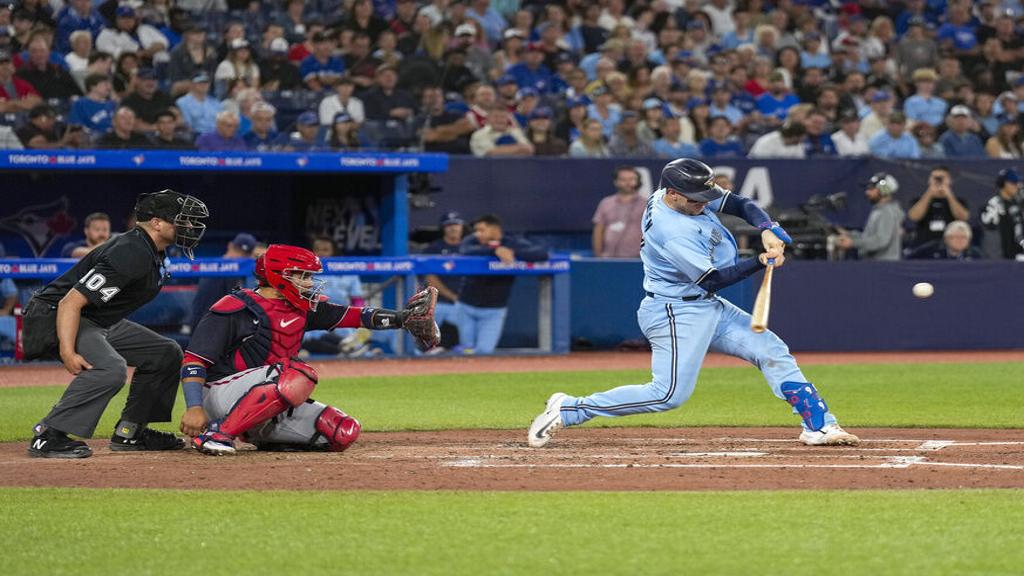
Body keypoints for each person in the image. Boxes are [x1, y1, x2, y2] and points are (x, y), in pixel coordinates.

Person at [528, 158, 859, 449]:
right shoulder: (671, 229)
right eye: (696, 199)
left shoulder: (678, 194)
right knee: (668, 395)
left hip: (706, 305)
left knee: (771, 350)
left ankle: (819, 425)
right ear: (672, 194)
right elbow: (713, 279)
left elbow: (740, 204)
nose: (704, 203)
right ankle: (570, 408)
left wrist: (767, 227)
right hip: (675, 310)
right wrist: (761, 259)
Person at [179, 245, 439, 455]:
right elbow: (193, 361)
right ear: (279, 276)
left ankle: (260, 434)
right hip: (218, 394)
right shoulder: (235, 307)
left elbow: (356, 315)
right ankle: (218, 434)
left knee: (342, 431)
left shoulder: (302, 307)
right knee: (298, 374)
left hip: (263, 397)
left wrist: (403, 319)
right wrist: (194, 407)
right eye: (302, 275)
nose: (308, 282)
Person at [22, 190, 209, 458]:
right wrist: (67, 350)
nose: (188, 227)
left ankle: (131, 432)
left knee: (165, 353)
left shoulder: (151, 250)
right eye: (181, 220)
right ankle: (49, 434)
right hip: (55, 316)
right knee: (110, 369)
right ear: (156, 222)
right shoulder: (131, 251)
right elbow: (70, 303)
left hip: (96, 320)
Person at [457, 214, 547, 354]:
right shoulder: (472, 241)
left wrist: (512, 252)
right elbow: (464, 250)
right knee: (467, 351)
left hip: (494, 310)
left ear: (494, 229)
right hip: (466, 306)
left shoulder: (510, 242)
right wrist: (495, 250)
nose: (477, 234)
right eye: (476, 230)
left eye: (482, 230)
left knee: (484, 351)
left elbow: (541, 254)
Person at [300, 237, 365, 356]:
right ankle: (343, 350)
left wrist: (359, 318)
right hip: (313, 316)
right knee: (309, 337)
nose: (321, 253)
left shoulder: (347, 271)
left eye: (325, 250)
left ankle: (351, 350)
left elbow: (358, 300)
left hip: (339, 315)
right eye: (317, 249)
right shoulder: (305, 272)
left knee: (349, 338)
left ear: (333, 252)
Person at [189, 233, 257, 330]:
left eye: (244, 255)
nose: (239, 257)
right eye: (237, 251)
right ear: (230, 246)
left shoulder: (215, 265)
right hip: (210, 327)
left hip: (208, 325)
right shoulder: (226, 270)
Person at [421, 212, 466, 349]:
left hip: (465, 304)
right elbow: (430, 279)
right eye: (449, 225)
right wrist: (453, 296)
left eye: (456, 224)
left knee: (468, 343)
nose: (453, 228)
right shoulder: (434, 249)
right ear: (443, 228)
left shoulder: (469, 248)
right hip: (438, 302)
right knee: (424, 336)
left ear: (462, 226)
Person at [836, 173, 904, 260]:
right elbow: (869, 237)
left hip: (884, 268)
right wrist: (849, 235)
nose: (867, 192)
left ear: (884, 190)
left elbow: (881, 241)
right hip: (877, 266)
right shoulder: (879, 211)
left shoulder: (887, 212)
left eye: (871, 189)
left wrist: (853, 243)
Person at [907, 166, 970, 248]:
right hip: (924, 246)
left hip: (950, 248)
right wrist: (929, 193)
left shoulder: (959, 201)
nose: (939, 181)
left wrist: (949, 195)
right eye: (935, 178)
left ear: (950, 180)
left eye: (942, 178)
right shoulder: (919, 200)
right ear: (929, 180)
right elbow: (913, 217)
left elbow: (963, 218)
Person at [980, 169, 1024, 260]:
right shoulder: (993, 204)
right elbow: (989, 229)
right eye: (1014, 183)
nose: (1017, 186)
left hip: (1019, 254)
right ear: (1004, 184)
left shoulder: (1018, 203)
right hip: (1002, 257)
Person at [908, 221, 983, 260]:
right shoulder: (930, 250)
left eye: (964, 237)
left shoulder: (975, 254)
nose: (960, 240)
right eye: (956, 237)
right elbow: (909, 259)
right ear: (946, 239)